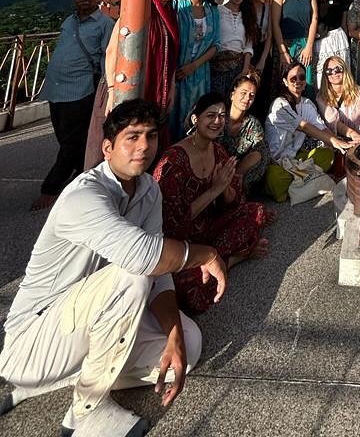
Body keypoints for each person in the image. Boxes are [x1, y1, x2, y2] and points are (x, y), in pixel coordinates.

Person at [0, 100, 223, 437]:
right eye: (131, 137)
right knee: (132, 274)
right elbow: (143, 258)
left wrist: (174, 335)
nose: (144, 146)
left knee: (187, 348)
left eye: (150, 136)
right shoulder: (84, 195)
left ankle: (67, 378)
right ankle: (87, 411)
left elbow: (159, 275)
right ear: (107, 147)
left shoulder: (148, 191)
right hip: (35, 339)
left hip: (91, 322)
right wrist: (204, 254)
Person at [153, 92, 270, 315]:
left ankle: (227, 260)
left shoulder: (218, 151)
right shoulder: (174, 161)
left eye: (222, 116)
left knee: (256, 211)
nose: (217, 121)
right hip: (180, 242)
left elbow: (231, 205)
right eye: (211, 115)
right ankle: (235, 257)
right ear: (195, 119)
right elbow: (173, 225)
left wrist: (225, 188)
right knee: (191, 296)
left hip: (208, 230)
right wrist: (214, 189)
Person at [86, 0, 188, 168]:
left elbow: (171, 54)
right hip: (125, 83)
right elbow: (114, 48)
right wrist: (114, 90)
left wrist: (171, 88)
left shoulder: (171, 11)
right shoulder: (140, 4)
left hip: (158, 86)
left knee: (144, 137)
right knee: (117, 136)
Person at [31, 0, 113, 212]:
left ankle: (51, 188)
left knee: (71, 142)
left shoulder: (105, 24)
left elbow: (107, 58)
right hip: (56, 90)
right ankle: (84, 177)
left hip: (81, 90)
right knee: (66, 139)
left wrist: (108, 92)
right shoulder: (69, 22)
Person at [263, 61, 351, 202]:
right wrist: (335, 141)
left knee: (327, 155)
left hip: (296, 158)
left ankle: (300, 183)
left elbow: (322, 129)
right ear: (285, 82)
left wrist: (338, 142)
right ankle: (306, 180)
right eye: (293, 78)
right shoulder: (279, 104)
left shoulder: (307, 104)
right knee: (275, 178)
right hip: (276, 162)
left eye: (301, 77)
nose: (298, 81)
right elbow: (304, 126)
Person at [171, 0, 220, 141]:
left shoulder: (213, 10)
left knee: (196, 116)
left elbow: (216, 44)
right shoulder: (177, 5)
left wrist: (194, 66)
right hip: (176, 72)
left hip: (200, 73)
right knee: (173, 115)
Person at [271, 0, 318, 89]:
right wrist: (283, 52)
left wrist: (309, 46)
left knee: (305, 82)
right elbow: (275, 23)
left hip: (305, 45)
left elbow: (314, 19)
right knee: (284, 83)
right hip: (285, 45)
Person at [221, 75, 270, 199]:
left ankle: (236, 188)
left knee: (261, 151)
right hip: (216, 168)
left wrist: (236, 174)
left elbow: (261, 153)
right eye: (243, 93)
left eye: (251, 95)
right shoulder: (218, 118)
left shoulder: (253, 124)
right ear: (232, 95)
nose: (247, 98)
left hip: (238, 171)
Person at [210, 0, 260, 97]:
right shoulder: (218, 11)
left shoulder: (248, 15)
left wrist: (244, 70)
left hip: (238, 65)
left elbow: (248, 46)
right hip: (216, 65)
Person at [316, 55, 360, 143]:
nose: (334, 73)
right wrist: (353, 134)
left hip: (358, 137)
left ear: (344, 70)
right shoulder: (321, 96)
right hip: (336, 140)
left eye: (337, 69)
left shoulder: (357, 91)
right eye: (329, 71)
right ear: (325, 75)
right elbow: (333, 122)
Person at [313, 0, 350, 81]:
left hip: (338, 37)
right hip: (322, 38)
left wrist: (347, 38)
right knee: (323, 72)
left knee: (340, 71)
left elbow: (344, 22)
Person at [249, 0, 273, 117]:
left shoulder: (268, 8)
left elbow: (269, 35)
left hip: (262, 51)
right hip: (246, 52)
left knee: (262, 91)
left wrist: (263, 60)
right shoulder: (244, 6)